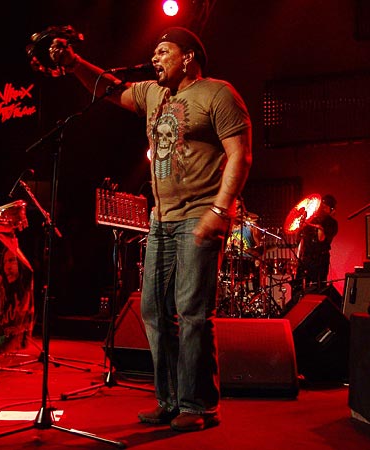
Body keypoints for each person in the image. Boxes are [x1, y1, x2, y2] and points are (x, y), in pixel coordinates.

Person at [48, 27, 252, 431]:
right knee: (154, 310)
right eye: (154, 52)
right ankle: (170, 400)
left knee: (192, 312)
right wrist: (73, 64)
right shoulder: (154, 94)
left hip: (200, 213)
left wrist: (219, 209)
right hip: (161, 218)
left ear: (188, 57)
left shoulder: (218, 94)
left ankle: (199, 405)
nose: (155, 58)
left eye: (163, 51)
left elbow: (240, 156)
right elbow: (108, 88)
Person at [292, 194, 338, 299]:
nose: (322, 209)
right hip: (306, 258)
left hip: (320, 259)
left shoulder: (332, 223)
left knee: (319, 288)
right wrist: (301, 226)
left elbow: (321, 238)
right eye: (322, 206)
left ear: (331, 209)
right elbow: (300, 239)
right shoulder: (312, 220)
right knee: (299, 286)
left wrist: (311, 224)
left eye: (325, 207)